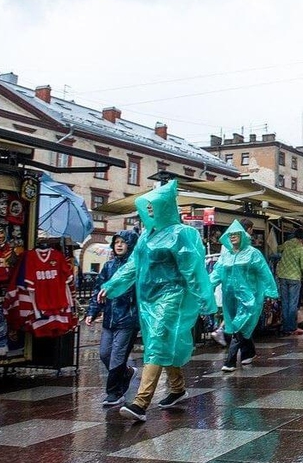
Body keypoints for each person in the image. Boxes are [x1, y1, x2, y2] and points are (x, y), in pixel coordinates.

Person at [98, 180, 216, 423]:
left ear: (165, 206)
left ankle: (141, 403)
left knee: (158, 342)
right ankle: (177, 388)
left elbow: (193, 270)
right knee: (162, 342)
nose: (150, 211)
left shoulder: (183, 234)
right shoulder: (146, 237)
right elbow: (132, 266)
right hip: (149, 300)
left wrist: (205, 300)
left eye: (154, 206)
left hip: (173, 296)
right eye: (147, 207)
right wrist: (110, 285)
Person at [209, 220, 278, 372]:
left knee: (239, 325)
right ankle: (249, 352)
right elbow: (216, 273)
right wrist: (206, 288)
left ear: (243, 235)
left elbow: (264, 272)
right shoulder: (225, 255)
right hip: (230, 298)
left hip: (249, 297)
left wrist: (271, 291)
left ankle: (230, 361)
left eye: (236, 234)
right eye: (230, 234)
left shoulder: (253, 253)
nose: (233, 237)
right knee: (239, 325)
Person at [85, 230, 139, 407]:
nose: (119, 245)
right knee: (104, 354)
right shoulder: (108, 266)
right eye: (117, 242)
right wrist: (92, 312)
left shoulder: (137, 266)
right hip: (110, 318)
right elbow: (98, 290)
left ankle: (114, 392)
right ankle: (127, 372)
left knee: (117, 355)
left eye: (124, 242)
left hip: (128, 318)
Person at [276, 228, 303, 336]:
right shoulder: (302, 249)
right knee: (293, 303)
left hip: (282, 276)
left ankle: (285, 327)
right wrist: (302, 273)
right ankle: (292, 327)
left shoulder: (287, 244)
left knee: (285, 302)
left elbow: (277, 249)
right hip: (294, 277)